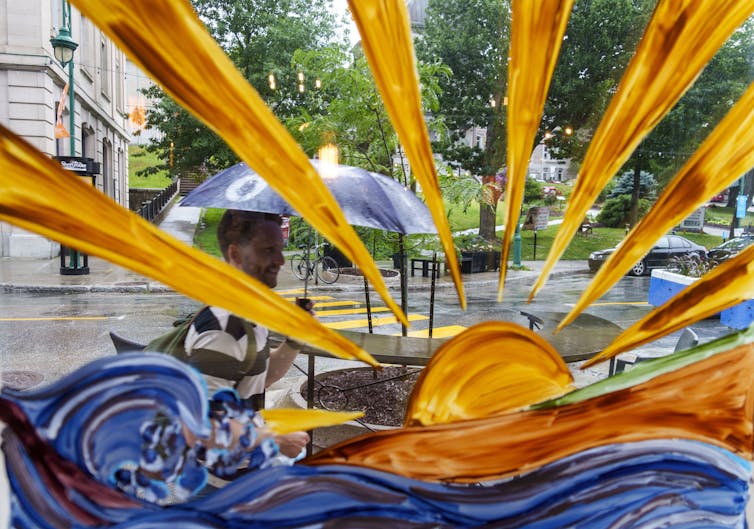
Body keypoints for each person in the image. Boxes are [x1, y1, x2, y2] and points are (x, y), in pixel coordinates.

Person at [159, 209, 310, 458]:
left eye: (280, 249)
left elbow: (260, 377)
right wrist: (276, 438)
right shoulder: (224, 327)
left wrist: (294, 341)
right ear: (236, 254)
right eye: (267, 250)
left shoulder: (246, 313)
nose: (281, 260)